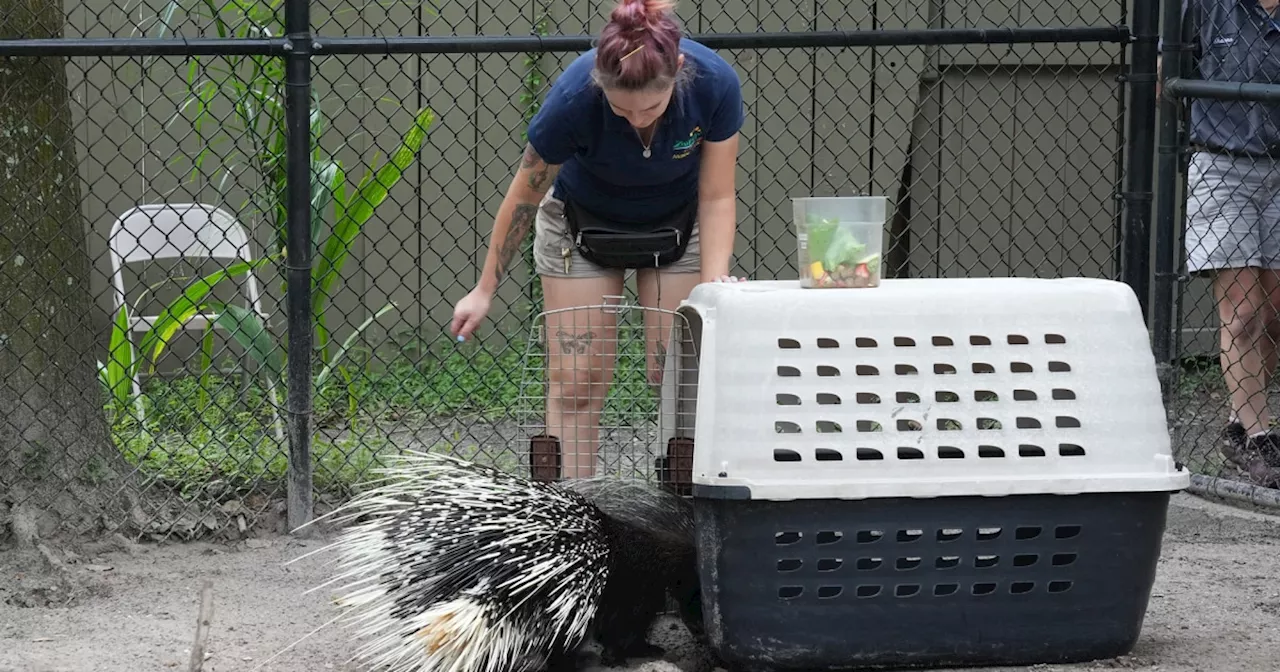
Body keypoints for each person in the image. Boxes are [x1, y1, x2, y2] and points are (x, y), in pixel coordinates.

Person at [449, 0, 745, 480]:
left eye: (650, 106)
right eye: (620, 108)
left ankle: (686, 519)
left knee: (676, 377)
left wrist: (713, 284)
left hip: (677, 225)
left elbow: (716, 196)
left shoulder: (715, 84)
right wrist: (484, 289)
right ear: (598, 85)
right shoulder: (572, 98)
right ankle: (571, 515)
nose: (636, 121)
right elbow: (524, 198)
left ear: (680, 70)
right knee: (576, 382)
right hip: (580, 225)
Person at [1162, 0, 1280, 486]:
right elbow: (1168, 80)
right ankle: (1260, 438)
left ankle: (1237, 424)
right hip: (1222, 166)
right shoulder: (1205, 8)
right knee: (1243, 309)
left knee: (1274, 311)